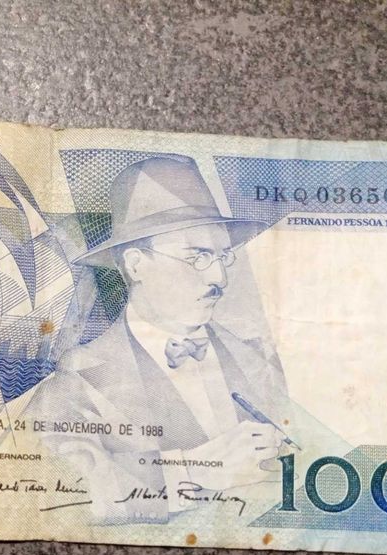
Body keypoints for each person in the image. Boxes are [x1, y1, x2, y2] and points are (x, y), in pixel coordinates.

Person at [29, 156, 291, 524]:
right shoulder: (75, 382)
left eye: (222, 256)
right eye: (197, 257)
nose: (219, 278)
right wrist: (192, 473)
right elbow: (42, 488)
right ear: (136, 265)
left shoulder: (261, 361)